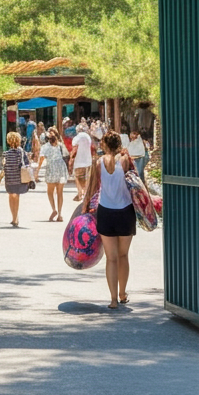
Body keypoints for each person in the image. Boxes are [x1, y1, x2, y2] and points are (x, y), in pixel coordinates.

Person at [84, 132, 137, 308]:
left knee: (111, 258)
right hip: (126, 212)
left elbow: (91, 189)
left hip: (106, 212)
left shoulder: (98, 163)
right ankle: (123, 293)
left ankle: (113, 299)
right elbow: (137, 183)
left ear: (105, 144)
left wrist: (84, 209)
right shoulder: (126, 160)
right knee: (123, 255)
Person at [36, 127, 69, 221]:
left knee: (50, 191)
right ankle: (60, 214)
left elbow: (41, 159)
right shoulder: (60, 145)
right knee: (60, 193)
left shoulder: (45, 147)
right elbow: (66, 155)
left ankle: (54, 209)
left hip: (51, 169)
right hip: (61, 168)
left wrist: (37, 171)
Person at [0, 132, 30, 226]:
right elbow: (26, 164)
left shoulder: (5, 154)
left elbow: (4, 166)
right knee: (16, 197)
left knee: (11, 197)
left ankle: (14, 217)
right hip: (19, 178)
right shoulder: (21, 152)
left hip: (9, 179)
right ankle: (15, 217)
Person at [70, 123, 93, 201]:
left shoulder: (76, 138)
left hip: (79, 161)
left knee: (77, 177)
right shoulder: (88, 137)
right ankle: (85, 193)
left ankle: (80, 193)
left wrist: (71, 158)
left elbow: (74, 149)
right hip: (88, 161)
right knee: (87, 179)